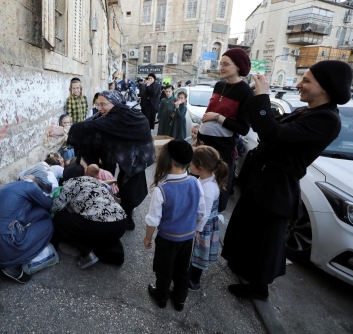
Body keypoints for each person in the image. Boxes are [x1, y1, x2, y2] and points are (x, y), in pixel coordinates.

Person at [222, 60, 351, 300]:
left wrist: (263, 97)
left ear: (325, 87)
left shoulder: (327, 119)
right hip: (262, 180)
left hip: (277, 187)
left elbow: (273, 133)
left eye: (307, 80)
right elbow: (268, 126)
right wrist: (256, 98)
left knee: (265, 242)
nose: (299, 84)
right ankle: (243, 267)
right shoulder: (309, 111)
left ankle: (258, 288)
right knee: (248, 230)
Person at [51, 90, 154, 230]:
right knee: (125, 186)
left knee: (130, 190)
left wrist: (64, 131)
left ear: (115, 103)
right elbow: (91, 123)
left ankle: (126, 220)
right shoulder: (116, 114)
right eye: (97, 104)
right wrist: (66, 131)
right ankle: (126, 216)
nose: (99, 108)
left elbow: (93, 126)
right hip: (130, 160)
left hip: (136, 160)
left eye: (103, 104)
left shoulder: (123, 116)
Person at [143, 140, 207, 312]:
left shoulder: (162, 189)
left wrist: (148, 237)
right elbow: (201, 212)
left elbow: (153, 220)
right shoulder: (195, 183)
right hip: (187, 239)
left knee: (164, 270)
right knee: (183, 270)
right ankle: (179, 301)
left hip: (167, 240)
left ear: (169, 160)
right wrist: (195, 229)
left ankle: (161, 297)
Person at [198, 48, 254, 212]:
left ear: (238, 66)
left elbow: (243, 128)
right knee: (200, 183)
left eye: (226, 64)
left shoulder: (246, 92)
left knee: (217, 187)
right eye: (221, 64)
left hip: (222, 148)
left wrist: (217, 117)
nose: (221, 67)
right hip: (204, 144)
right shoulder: (219, 85)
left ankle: (211, 223)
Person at [0, 173, 55, 284]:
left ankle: (7, 261)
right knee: (48, 225)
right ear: (35, 182)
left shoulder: (9, 186)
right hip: (4, 243)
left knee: (40, 213)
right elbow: (50, 204)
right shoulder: (31, 187)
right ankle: (13, 265)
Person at [52, 162, 127, 268]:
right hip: (121, 223)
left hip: (101, 226)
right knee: (99, 226)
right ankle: (115, 255)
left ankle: (86, 253)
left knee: (58, 218)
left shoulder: (69, 184)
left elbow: (55, 207)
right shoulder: (93, 180)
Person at [188, 146, 228, 291]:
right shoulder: (206, 179)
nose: (189, 165)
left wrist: (197, 229)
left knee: (199, 252)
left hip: (203, 226)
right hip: (202, 224)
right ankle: (191, 276)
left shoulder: (208, 188)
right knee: (196, 252)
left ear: (201, 167)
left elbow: (204, 213)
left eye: (191, 163)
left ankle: (193, 281)